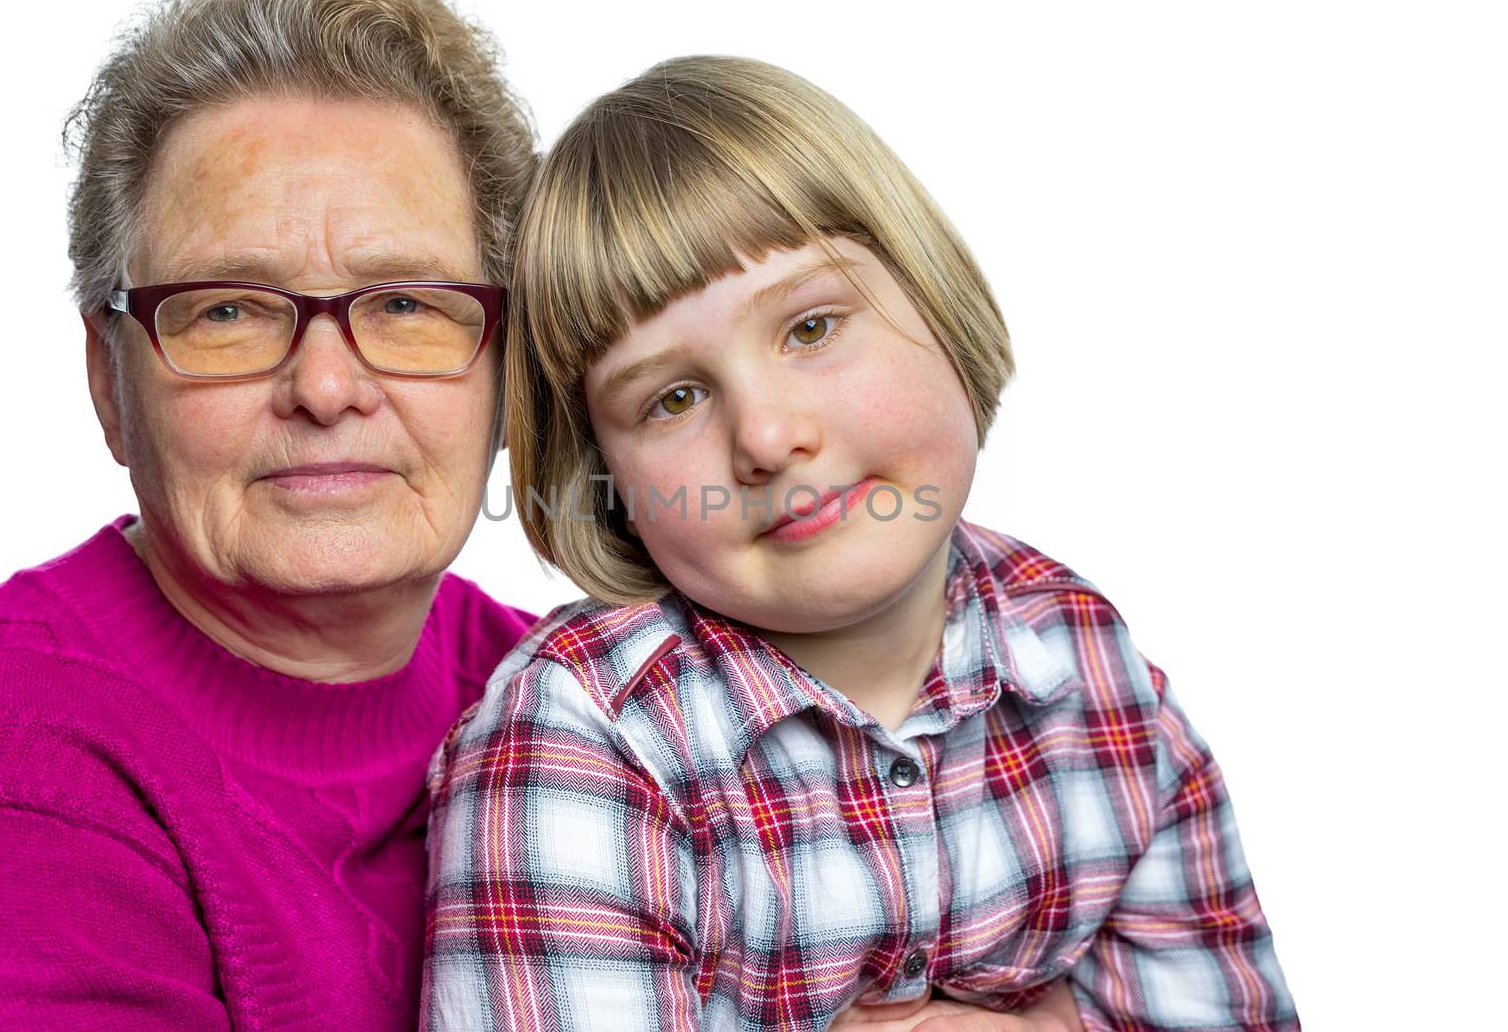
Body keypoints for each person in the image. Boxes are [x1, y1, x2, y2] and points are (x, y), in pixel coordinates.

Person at [425, 56, 1299, 1030]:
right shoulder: (584, 738)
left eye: (810, 327)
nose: (764, 437)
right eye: (672, 397)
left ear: (934, 300)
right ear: (608, 484)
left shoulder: (1083, 661)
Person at [0, 0, 537, 1026]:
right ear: (111, 379)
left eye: (404, 303)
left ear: (509, 366)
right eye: (228, 312)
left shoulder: (579, 700)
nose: (327, 388)